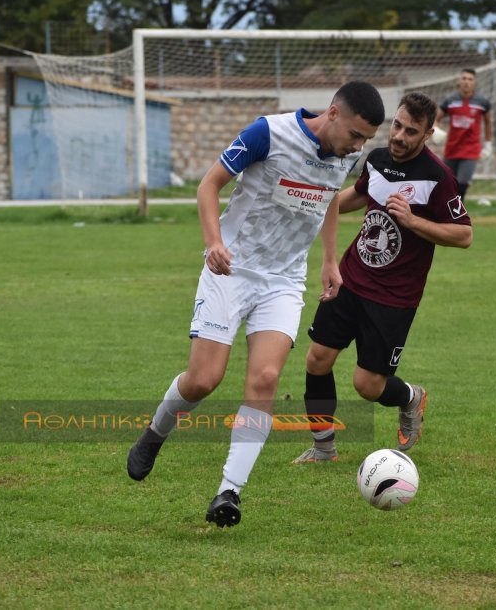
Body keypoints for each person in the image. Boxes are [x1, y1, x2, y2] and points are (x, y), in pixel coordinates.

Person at [126, 81, 386, 528]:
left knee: (265, 378)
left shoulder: (346, 154)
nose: (358, 146)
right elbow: (209, 186)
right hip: (231, 269)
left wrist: (328, 260)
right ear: (334, 113)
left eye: (366, 140)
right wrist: (213, 244)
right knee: (203, 380)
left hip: (283, 280)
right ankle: (155, 432)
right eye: (356, 135)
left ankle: (229, 492)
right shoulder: (267, 132)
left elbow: (326, 202)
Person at [293, 91, 472, 465]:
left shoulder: (438, 177)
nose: (400, 136)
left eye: (411, 131)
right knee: (317, 359)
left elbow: (463, 235)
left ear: (427, 134)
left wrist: (412, 221)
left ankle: (410, 397)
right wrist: (306, 205)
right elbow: (359, 196)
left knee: (367, 386)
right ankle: (323, 448)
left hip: (394, 297)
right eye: (397, 125)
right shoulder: (374, 159)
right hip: (351, 278)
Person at [433, 68, 493, 201]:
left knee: (462, 184)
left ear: (475, 82)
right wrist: (435, 129)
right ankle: (445, 214)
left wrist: (488, 144)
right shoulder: (450, 100)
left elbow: (488, 122)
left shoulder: (482, 102)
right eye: (464, 78)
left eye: (470, 79)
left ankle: (459, 213)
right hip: (452, 149)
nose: (466, 82)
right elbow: (436, 119)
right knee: (447, 184)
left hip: (471, 150)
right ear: (459, 81)